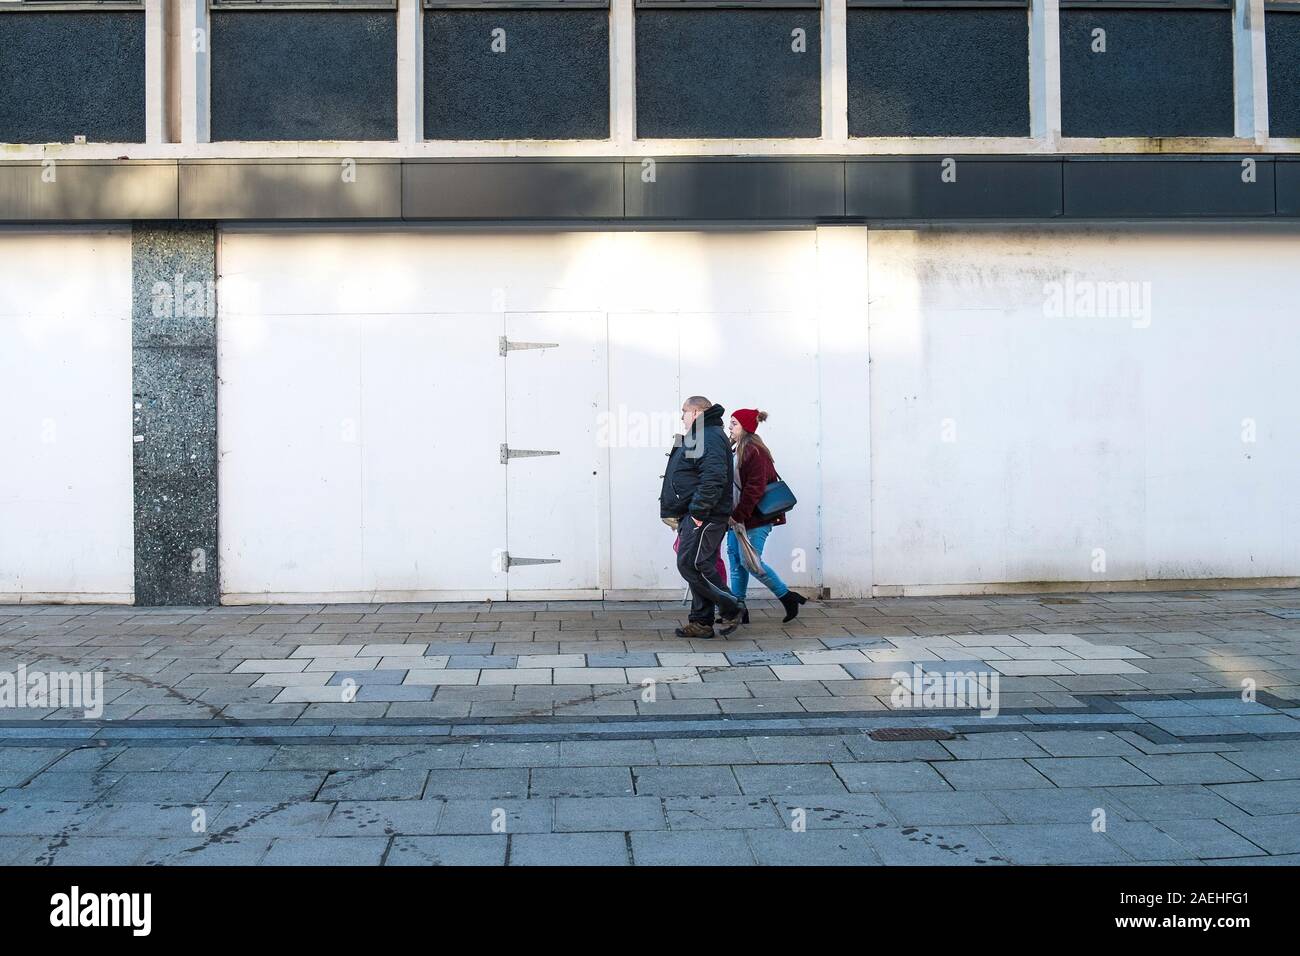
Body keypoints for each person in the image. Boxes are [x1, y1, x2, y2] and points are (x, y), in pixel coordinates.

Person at [659, 396, 745, 638]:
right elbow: (692, 472)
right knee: (699, 564)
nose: (682, 418)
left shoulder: (708, 435)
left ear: (695, 412)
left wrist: (698, 513)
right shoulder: (702, 433)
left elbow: (713, 478)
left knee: (691, 564)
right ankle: (701, 622)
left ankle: (731, 606)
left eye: (684, 412)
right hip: (697, 514)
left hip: (705, 516)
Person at [726, 408, 808, 623]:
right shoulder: (736, 449)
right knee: (736, 560)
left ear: (746, 427)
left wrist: (737, 515)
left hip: (754, 519)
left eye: (734, 423)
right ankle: (738, 607)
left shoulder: (755, 451)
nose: (730, 427)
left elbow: (755, 489)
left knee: (751, 562)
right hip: (738, 518)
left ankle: (787, 596)